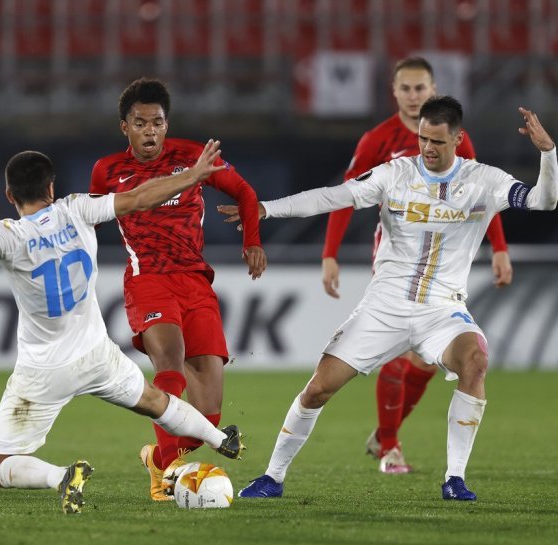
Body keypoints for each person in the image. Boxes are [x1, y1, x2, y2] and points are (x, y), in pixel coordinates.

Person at [220, 97, 556, 501]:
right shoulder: (394, 174)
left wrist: (548, 155)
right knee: (318, 390)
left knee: (476, 359)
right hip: (384, 309)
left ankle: (455, 479)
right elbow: (331, 198)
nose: (427, 148)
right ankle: (273, 477)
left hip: (442, 310)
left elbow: (544, 200)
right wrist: (264, 210)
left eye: (437, 141)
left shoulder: (483, 180)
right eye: (422, 139)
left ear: (458, 138)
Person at [0, 142, 246, 514]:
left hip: (44, 369)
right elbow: (138, 198)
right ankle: (220, 438)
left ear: (9, 195)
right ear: (51, 188)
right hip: (97, 354)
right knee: (155, 401)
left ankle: (61, 476)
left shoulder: (9, 234)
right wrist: (191, 176)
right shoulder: (77, 207)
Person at [321, 57, 513, 474]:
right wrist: (330, 253)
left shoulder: (454, 138)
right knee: (400, 349)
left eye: (420, 88)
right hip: (396, 260)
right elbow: (345, 195)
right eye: (405, 89)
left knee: (425, 362)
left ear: (432, 89)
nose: (413, 96)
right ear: (394, 93)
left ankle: (383, 435)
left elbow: (485, 197)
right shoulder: (378, 139)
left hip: (442, 265)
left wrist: (499, 248)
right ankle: (390, 446)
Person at [89, 78, 267, 501]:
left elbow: (243, 191)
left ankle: (158, 458)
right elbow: (88, 219)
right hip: (147, 280)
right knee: (170, 364)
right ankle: (167, 475)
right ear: (124, 127)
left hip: (195, 282)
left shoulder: (195, 157)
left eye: (157, 122)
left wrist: (252, 241)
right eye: (140, 123)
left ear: (167, 125)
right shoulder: (108, 170)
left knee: (208, 410)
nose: (150, 131)